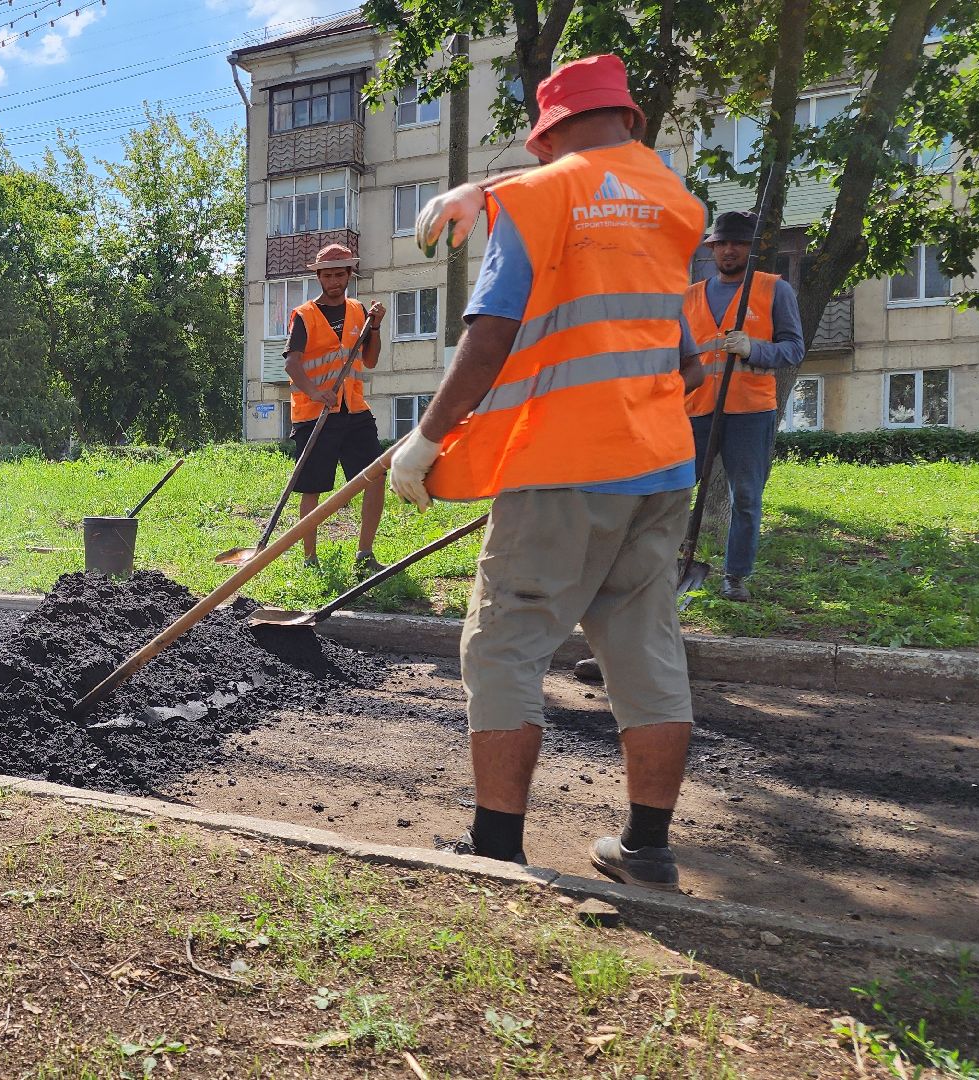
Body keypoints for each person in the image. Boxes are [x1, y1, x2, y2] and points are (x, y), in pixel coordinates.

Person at [386, 54, 708, 891]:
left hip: (565, 466)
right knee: (645, 647)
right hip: (663, 463)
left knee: (503, 644)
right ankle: (648, 847)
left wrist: (424, 439)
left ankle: (495, 846)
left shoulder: (542, 196)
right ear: (630, 121)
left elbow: (489, 336)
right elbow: (689, 362)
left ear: (550, 131)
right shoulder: (677, 208)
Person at [679, 210, 805, 602]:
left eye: (738, 243)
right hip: (695, 410)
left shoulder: (773, 289)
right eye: (723, 244)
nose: (729, 250)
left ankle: (735, 576)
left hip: (750, 411)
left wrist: (754, 349)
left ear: (752, 249)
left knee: (746, 497)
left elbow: (794, 349)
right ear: (712, 249)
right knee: (673, 492)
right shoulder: (690, 297)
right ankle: (666, 564)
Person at [281, 243, 388, 574]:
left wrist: (376, 327)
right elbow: (292, 365)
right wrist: (315, 391)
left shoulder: (359, 311)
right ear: (318, 277)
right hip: (316, 416)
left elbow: (369, 360)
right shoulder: (304, 316)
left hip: (354, 411)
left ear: (348, 275)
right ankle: (310, 560)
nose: (333, 281)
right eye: (326, 275)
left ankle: (365, 554)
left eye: (339, 274)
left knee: (375, 477)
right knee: (312, 487)